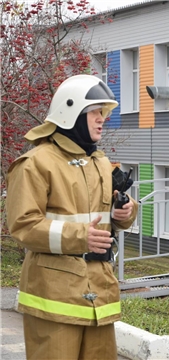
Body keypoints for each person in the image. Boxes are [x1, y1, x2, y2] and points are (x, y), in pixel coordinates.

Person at [6, 74, 139, 360]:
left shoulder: (100, 162)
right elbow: (23, 226)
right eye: (94, 112)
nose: (102, 119)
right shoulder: (35, 163)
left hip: (99, 296)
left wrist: (124, 212)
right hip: (53, 298)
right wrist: (80, 237)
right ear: (71, 113)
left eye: (103, 112)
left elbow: (106, 216)